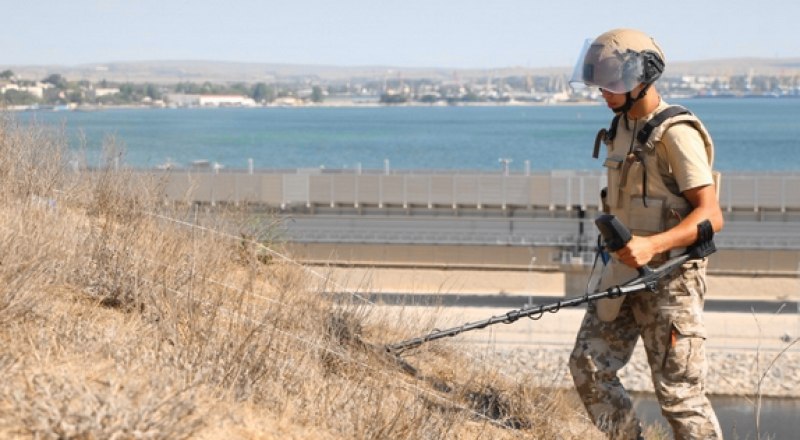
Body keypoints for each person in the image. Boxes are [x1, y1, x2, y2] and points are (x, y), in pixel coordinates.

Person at [567, 29, 725, 439]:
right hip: (621, 275)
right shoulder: (619, 127)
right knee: (588, 366)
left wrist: (652, 245)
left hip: (669, 281)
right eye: (600, 81)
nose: (603, 91)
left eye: (611, 82)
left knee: (680, 397)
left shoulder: (676, 133)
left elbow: (711, 215)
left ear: (641, 79)